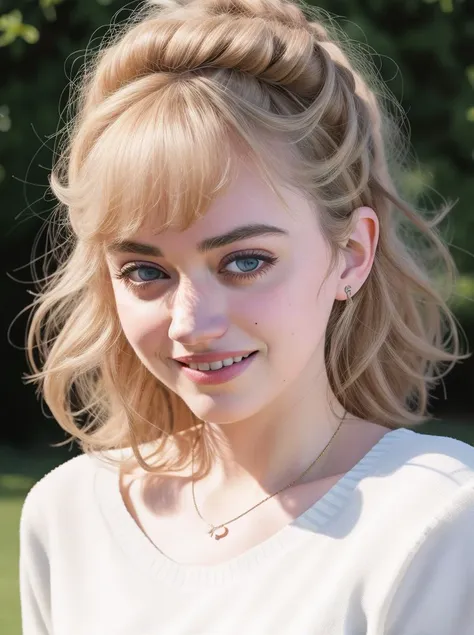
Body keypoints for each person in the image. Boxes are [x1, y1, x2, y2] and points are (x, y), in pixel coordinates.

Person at [18, 0, 474, 632]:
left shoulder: (437, 519)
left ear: (351, 254)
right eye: (145, 271)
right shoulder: (67, 515)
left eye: (245, 261)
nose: (190, 323)